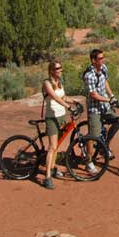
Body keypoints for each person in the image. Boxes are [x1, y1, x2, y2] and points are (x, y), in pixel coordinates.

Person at [40, 59, 75, 190]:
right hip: (51, 118)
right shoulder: (47, 83)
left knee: (57, 145)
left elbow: (63, 97)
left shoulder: (60, 82)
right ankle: (47, 177)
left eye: (61, 68)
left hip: (61, 117)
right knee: (52, 146)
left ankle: (53, 167)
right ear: (51, 71)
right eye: (58, 69)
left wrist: (74, 102)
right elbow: (54, 97)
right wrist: (68, 107)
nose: (61, 70)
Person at [82, 48, 117, 174]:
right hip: (94, 109)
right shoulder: (89, 76)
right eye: (100, 58)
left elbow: (105, 82)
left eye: (103, 58)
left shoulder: (103, 68)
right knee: (94, 136)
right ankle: (89, 162)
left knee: (116, 121)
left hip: (105, 106)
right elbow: (93, 95)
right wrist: (108, 100)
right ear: (93, 60)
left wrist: (111, 95)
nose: (102, 60)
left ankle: (104, 146)